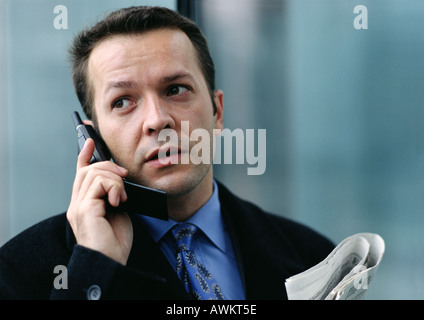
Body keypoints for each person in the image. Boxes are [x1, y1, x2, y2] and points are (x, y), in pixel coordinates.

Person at [0, 6, 334, 300]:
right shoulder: (19, 272)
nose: (157, 120)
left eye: (175, 90)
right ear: (94, 137)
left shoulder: (314, 257)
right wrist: (95, 268)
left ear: (217, 112)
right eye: (123, 102)